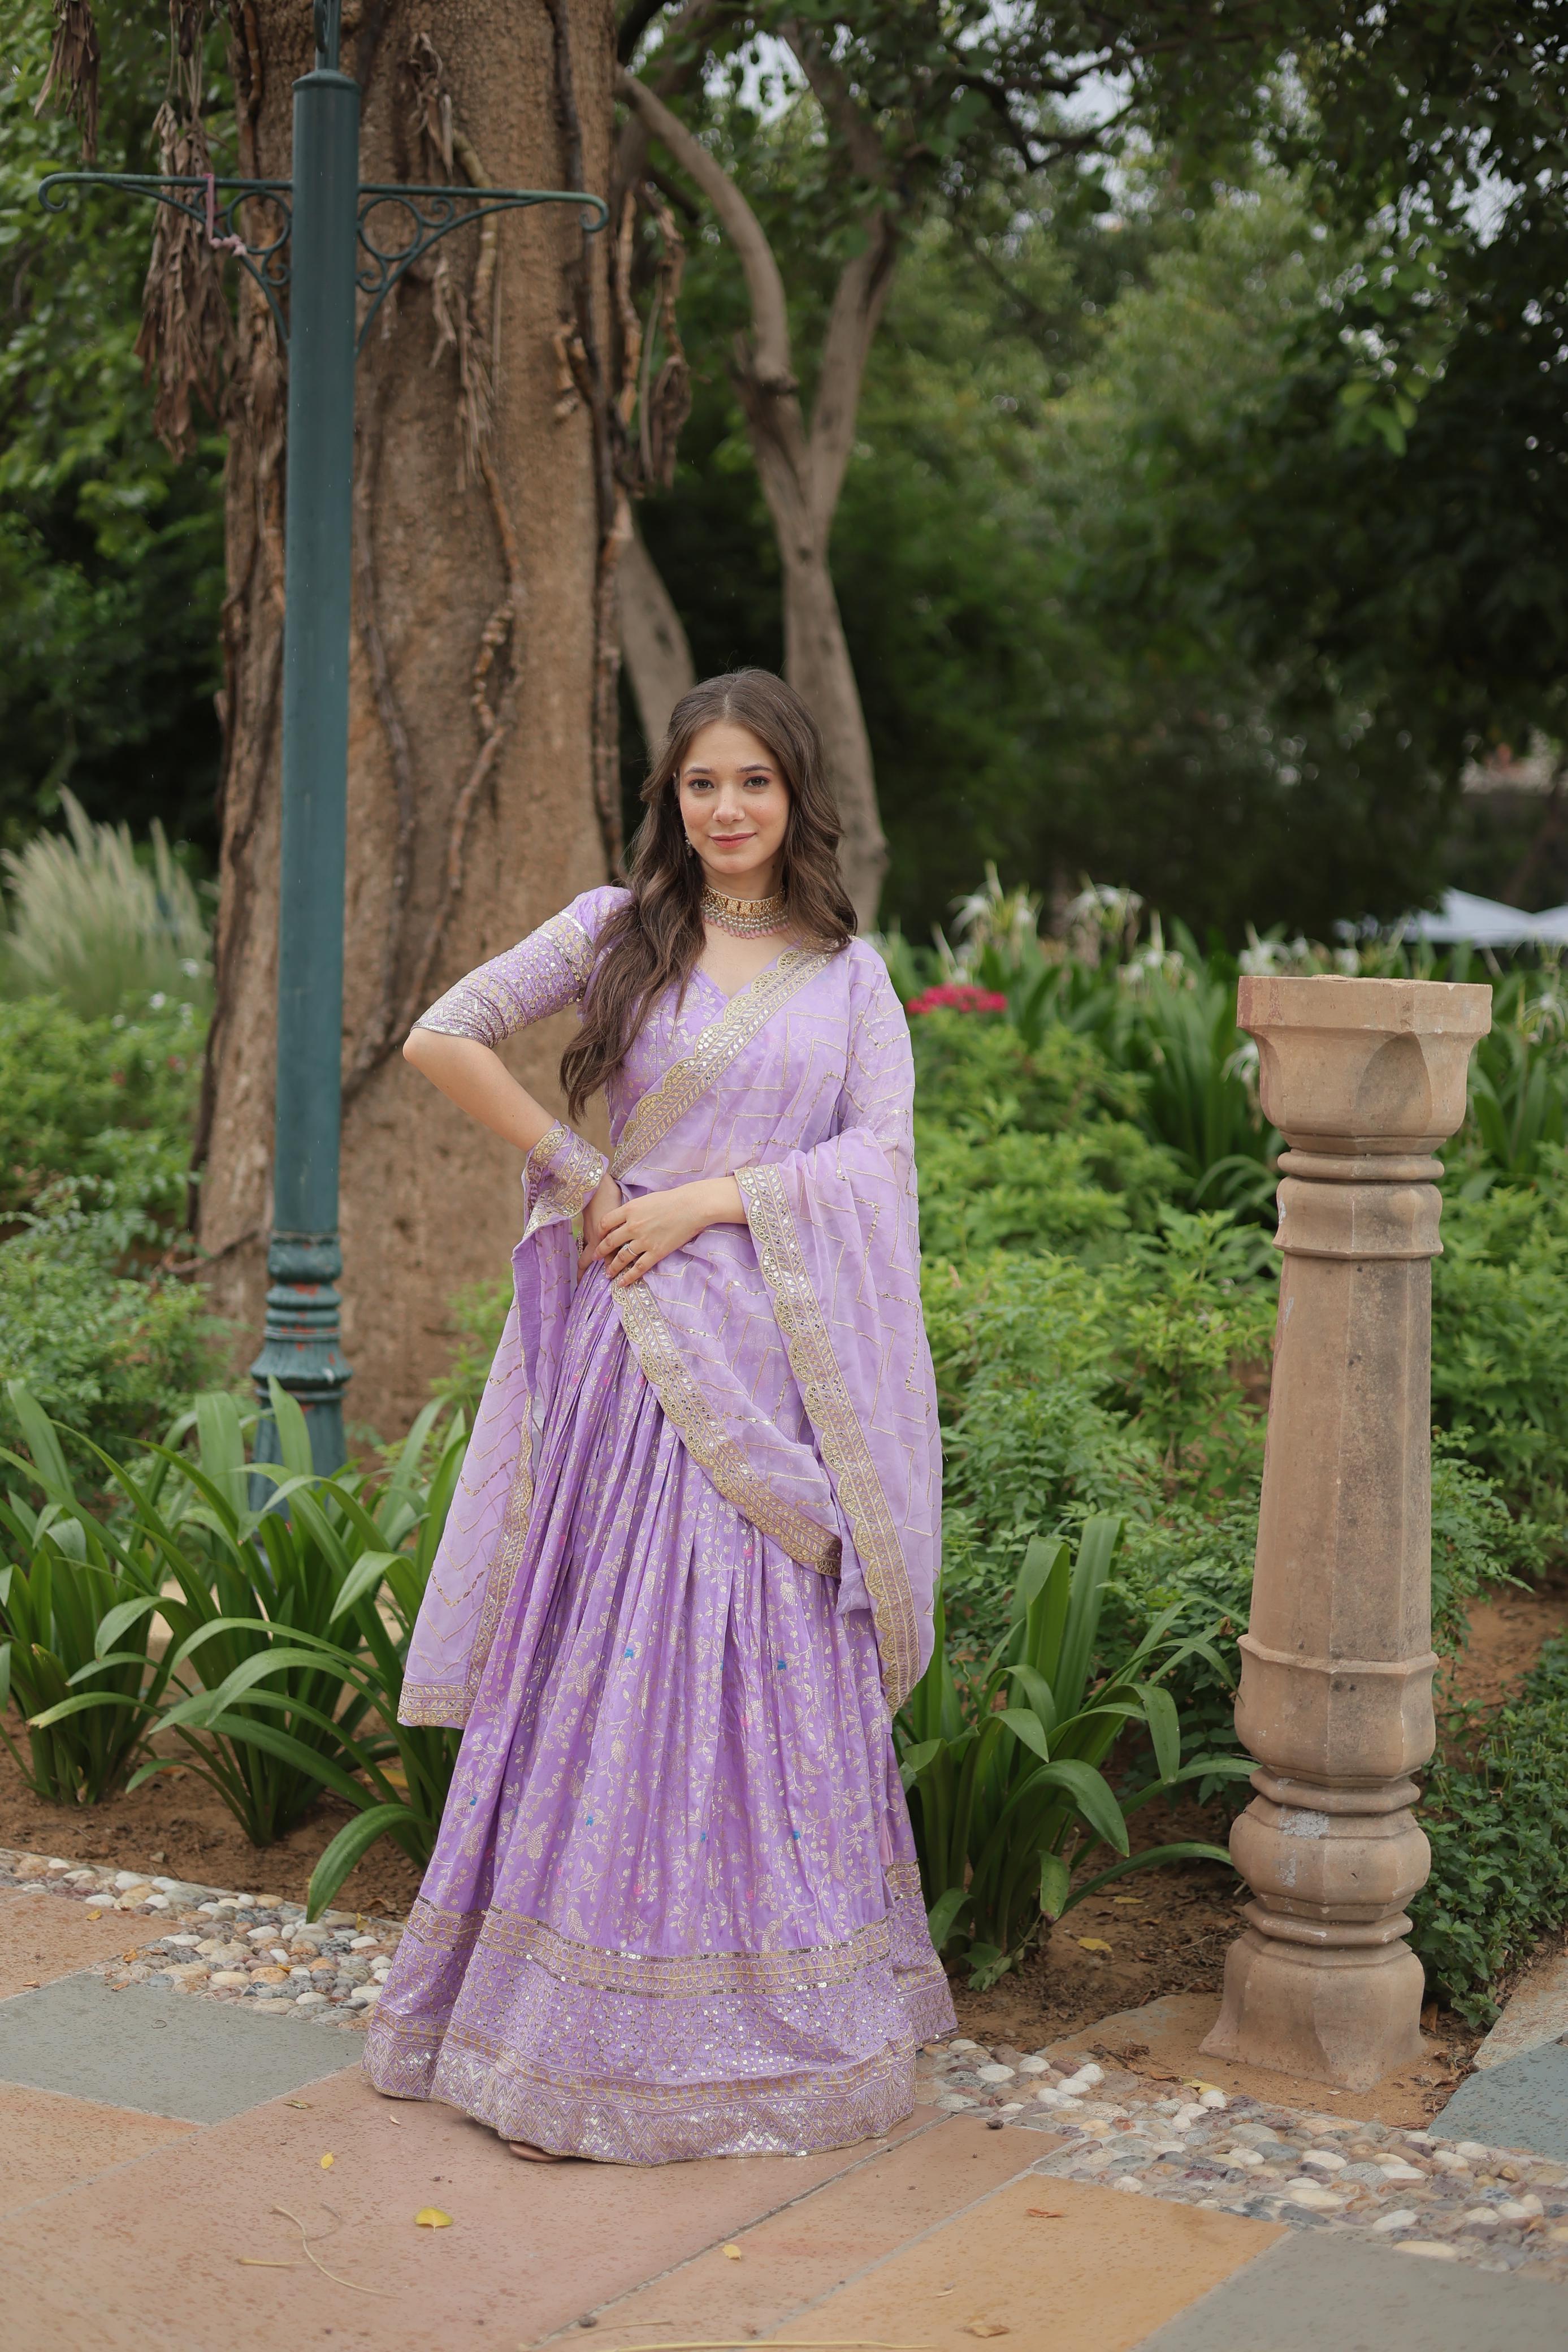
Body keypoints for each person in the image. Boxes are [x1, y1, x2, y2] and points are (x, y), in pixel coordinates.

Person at [363, 668, 954, 2164]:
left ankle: (775, 2017)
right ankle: (572, 2032)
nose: (728, 808)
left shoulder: (850, 977)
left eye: (754, 781)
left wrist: (711, 1198)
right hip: (639, 1368)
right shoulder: (616, 930)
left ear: (796, 796)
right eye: (703, 783)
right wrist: (579, 1174)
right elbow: (444, 1033)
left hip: (775, 1375)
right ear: (672, 799)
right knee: (626, 1660)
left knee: (763, 1666)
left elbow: (880, 1166)